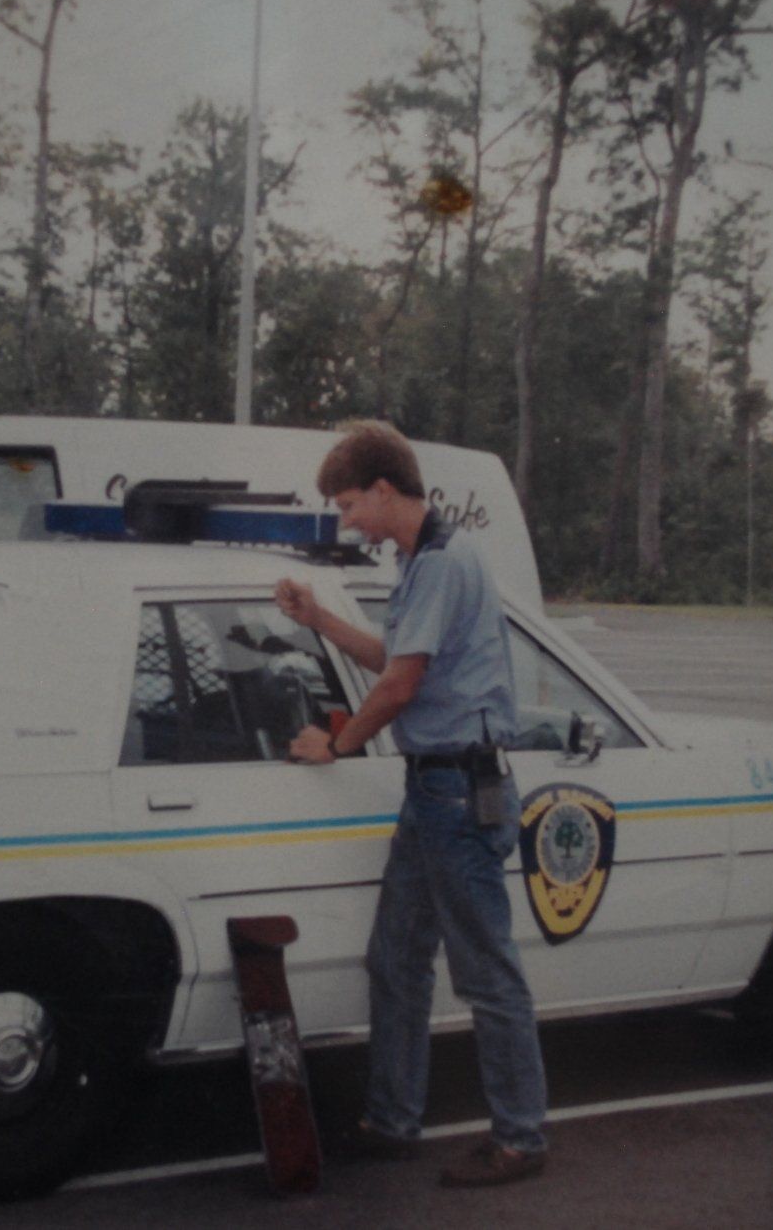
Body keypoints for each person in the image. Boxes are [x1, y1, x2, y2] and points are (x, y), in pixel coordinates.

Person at [276, 420, 548, 1189]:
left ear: (387, 490)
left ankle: (521, 1137)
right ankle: (393, 1120)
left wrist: (339, 745)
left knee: (487, 974)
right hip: (436, 789)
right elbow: (394, 658)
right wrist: (320, 618)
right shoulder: (426, 556)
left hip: (454, 791)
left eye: (351, 503)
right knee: (396, 959)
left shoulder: (440, 561)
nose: (347, 519)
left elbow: (400, 685)